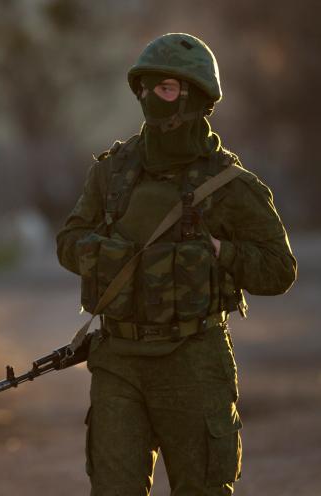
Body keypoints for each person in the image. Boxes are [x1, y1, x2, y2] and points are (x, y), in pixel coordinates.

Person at [56, 33, 296, 495]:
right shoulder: (111, 172)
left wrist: (222, 252)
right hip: (119, 359)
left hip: (193, 359)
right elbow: (67, 242)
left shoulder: (230, 185)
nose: (151, 98)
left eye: (165, 88)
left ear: (196, 98)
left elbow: (280, 270)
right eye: (146, 88)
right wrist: (107, 253)